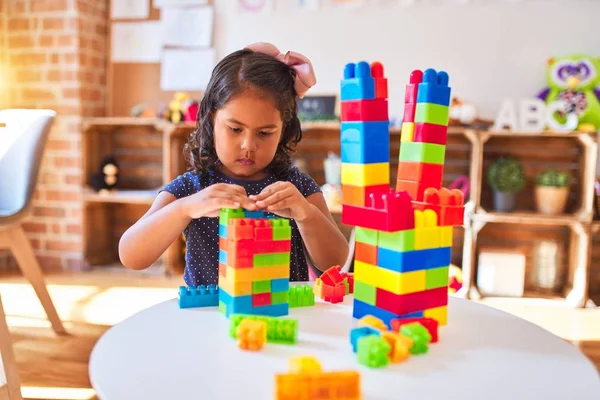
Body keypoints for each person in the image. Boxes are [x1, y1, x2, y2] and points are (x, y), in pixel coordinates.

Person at [118, 42, 349, 286]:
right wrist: (184, 209)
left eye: (265, 133)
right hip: (210, 319)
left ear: (283, 130)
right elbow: (132, 256)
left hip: (283, 318)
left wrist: (305, 214)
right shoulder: (192, 189)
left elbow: (337, 262)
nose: (248, 145)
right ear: (211, 119)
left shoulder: (296, 187)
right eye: (235, 129)